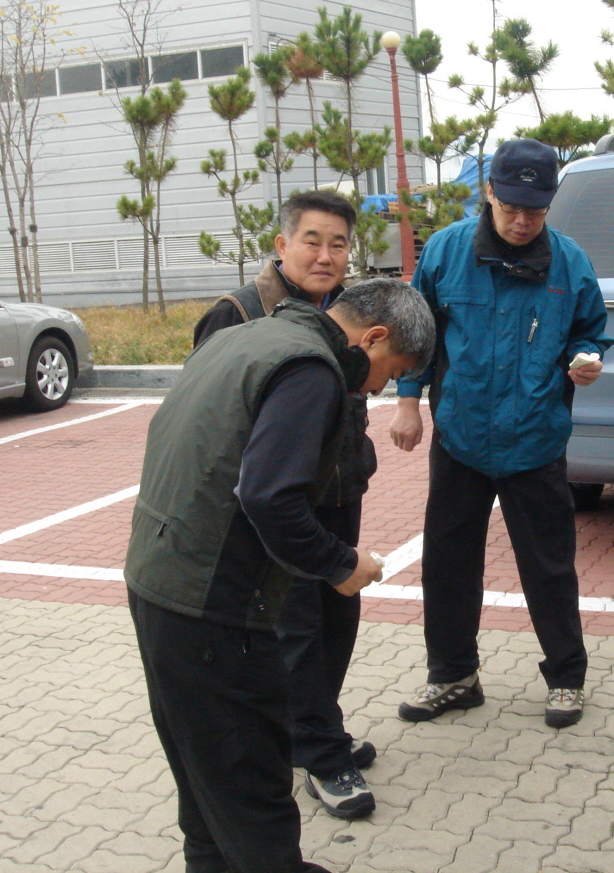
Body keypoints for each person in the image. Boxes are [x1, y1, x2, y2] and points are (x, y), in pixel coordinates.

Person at [125, 279, 435, 873]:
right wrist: (340, 563)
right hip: (213, 602)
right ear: (374, 338)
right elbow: (269, 496)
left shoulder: (246, 336)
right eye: (391, 373)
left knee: (203, 774)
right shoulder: (311, 370)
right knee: (250, 778)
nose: (376, 389)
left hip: (157, 577)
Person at [390, 138, 614, 729]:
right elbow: (416, 334)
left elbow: (590, 329)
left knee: (549, 566)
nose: (521, 221)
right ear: (488, 191)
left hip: (535, 438)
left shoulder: (570, 262)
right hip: (460, 436)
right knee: (447, 564)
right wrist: (408, 402)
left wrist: (587, 357)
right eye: (511, 206)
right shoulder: (446, 251)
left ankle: (566, 678)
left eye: (535, 210)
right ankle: (453, 677)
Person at [195, 190, 380, 820]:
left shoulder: (348, 313)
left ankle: (317, 728)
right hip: (278, 505)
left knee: (338, 618)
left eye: (338, 244)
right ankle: (321, 756)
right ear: (281, 245)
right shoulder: (239, 314)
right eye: (312, 241)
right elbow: (207, 413)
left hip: (340, 491)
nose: (326, 256)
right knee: (297, 630)